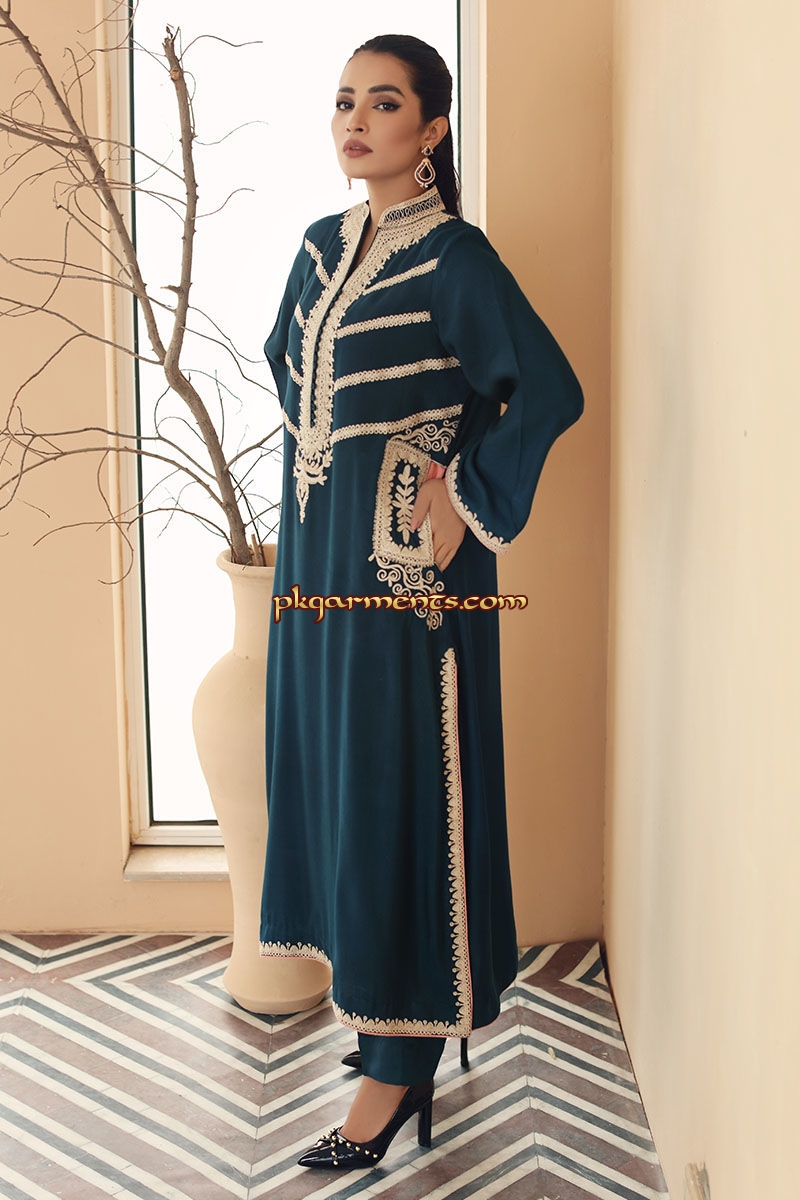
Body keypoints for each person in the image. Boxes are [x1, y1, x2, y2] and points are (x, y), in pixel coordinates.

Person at [259, 33, 583, 1170]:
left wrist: (454, 490)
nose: (354, 120)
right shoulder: (318, 247)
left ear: (432, 129)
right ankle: (380, 1017)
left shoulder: (455, 258)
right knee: (335, 776)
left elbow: (544, 389)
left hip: (404, 579)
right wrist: (348, 463)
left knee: (400, 783)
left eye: (384, 102)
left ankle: (396, 1072)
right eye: (344, 100)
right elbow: (295, 374)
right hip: (318, 562)